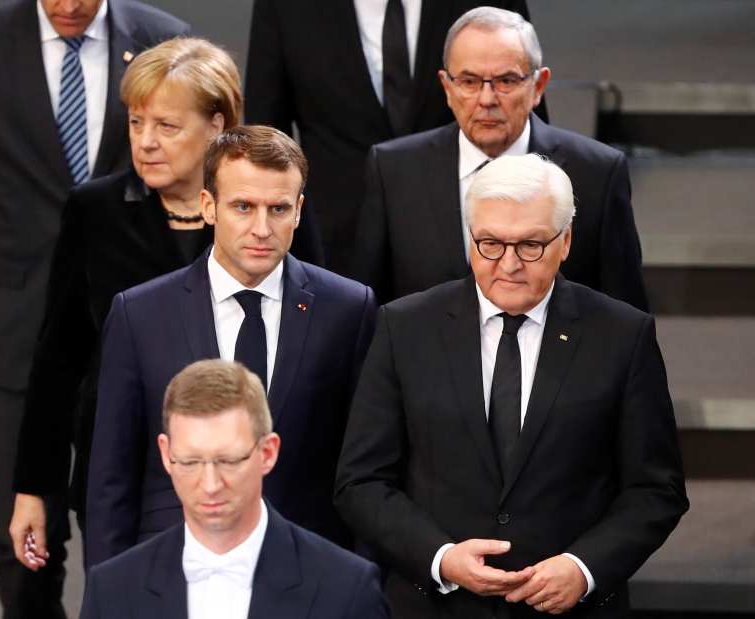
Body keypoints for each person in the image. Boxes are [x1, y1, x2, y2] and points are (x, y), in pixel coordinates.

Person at [0, 0, 188, 615]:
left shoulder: (164, 39)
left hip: (126, 332)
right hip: (9, 332)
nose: (68, 5)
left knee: (128, 538)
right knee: (25, 541)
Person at [9, 36, 325, 574]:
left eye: (167, 126)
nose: (146, 142)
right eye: (136, 123)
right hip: (130, 482)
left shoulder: (266, 213)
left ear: (217, 126)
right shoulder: (95, 212)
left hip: (263, 481)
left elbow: (318, 326)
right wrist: (33, 489)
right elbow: (60, 357)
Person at [335, 154, 688, 618]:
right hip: (435, 607)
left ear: (565, 242)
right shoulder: (405, 328)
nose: (509, 264)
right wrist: (440, 559)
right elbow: (361, 482)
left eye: (530, 246)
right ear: (470, 239)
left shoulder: (623, 335)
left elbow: (656, 489)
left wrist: (583, 568)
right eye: (490, 244)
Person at [83, 125, 378, 568]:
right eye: (243, 206)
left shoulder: (349, 309)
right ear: (209, 206)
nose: (262, 228)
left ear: (298, 211)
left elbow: (366, 469)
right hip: (173, 565)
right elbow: (111, 477)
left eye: (278, 208)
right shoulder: (139, 314)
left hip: (310, 571)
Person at [353, 7, 649, 312]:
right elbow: (370, 310)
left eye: (506, 81)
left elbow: (625, 316)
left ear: (538, 86)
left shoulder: (596, 173)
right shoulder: (393, 170)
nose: (487, 99)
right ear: (447, 88)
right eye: (469, 81)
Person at [245, 0, 542, 276]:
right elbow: (266, 139)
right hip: (333, 249)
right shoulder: (284, 7)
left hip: (481, 241)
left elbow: (525, 109)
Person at [80, 360, 389, 619]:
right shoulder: (111, 590)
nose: (211, 485)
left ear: (267, 452)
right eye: (190, 462)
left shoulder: (346, 589)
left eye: (229, 461)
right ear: (166, 454)